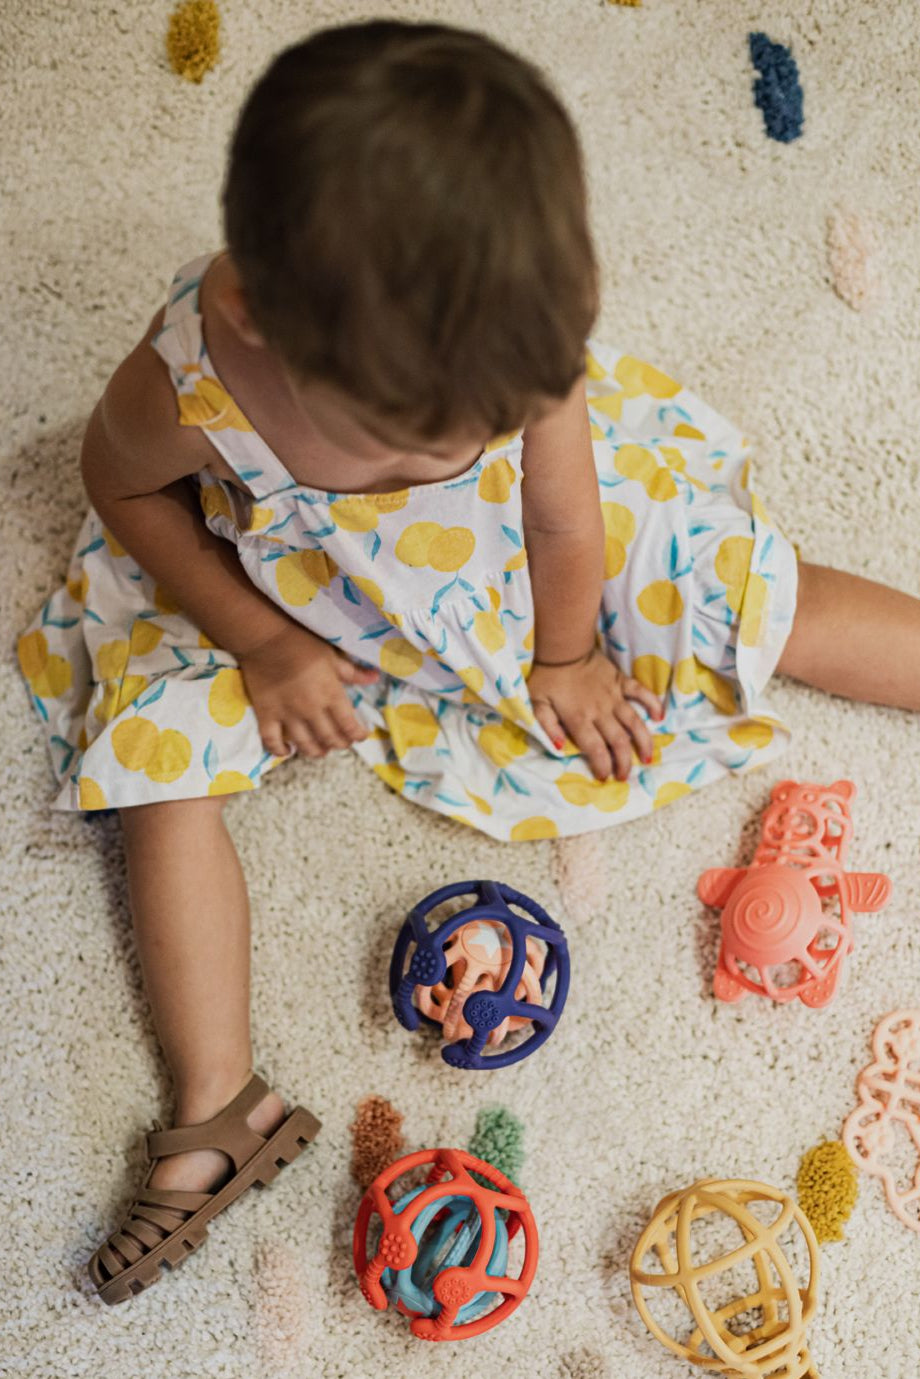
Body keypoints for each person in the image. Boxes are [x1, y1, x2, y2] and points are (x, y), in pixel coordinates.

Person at [17, 19, 920, 1304]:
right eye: (408, 437)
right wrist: (265, 644)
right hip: (287, 586)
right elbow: (123, 492)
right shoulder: (192, 383)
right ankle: (219, 1102)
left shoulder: (517, 357)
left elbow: (562, 516)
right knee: (150, 748)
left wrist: (566, 657)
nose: (468, 435)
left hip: (522, 567)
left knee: (731, 587)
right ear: (250, 316)